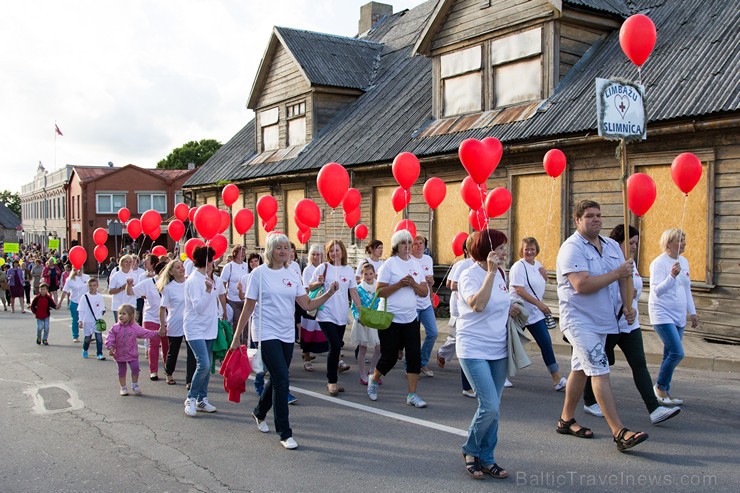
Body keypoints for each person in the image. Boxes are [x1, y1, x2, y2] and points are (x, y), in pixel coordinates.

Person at [231, 233, 338, 450]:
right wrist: (236, 339)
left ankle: (259, 412)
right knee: (282, 378)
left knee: (277, 379)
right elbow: (249, 307)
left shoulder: (292, 274)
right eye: (278, 247)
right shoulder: (259, 274)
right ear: (270, 250)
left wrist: (328, 294)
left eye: (285, 248)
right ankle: (285, 432)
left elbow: (307, 304)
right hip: (265, 332)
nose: (282, 251)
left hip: (287, 333)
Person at [556, 200, 648, 452]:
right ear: (577, 220)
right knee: (599, 369)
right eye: (589, 216)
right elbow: (581, 285)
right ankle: (619, 431)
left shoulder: (610, 246)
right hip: (578, 320)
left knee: (580, 369)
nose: (596, 219)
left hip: (604, 320)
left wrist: (628, 306)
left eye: (599, 215)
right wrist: (618, 274)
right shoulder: (571, 248)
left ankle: (565, 420)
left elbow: (624, 277)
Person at [582, 225, 681, 425]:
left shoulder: (631, 264)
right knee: (600, 364)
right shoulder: (608, 261)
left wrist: (631, 302)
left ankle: (654, 408)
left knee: (639, 364)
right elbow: (604, 287)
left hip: (629, 323)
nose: (634, 246)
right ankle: (589, 400)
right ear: (618, 243)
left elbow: (634, 288)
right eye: (631, 242)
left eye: (636, 243)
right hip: (609, 322)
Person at [457, 229, 517, 479]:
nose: (505, 252)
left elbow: (500, 302)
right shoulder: (469, 274)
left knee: (495, 407)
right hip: (473, 348)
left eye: (505, 247)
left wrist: (512, 307)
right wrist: (490, 274)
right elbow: (478, 304)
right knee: (489, 405)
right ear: (485, 251)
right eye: (500, 247)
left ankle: (487, 458)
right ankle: (470, 449)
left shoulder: (502, 273)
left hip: (498, 348)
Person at [368, 229, 428, 407]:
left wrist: (414, 284)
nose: (408, 247)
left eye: (410, 243)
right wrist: (400, 284)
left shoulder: (416, 265)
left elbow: (424, 292)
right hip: (390, 319)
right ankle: (374, 379)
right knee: (390, 357)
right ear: (396, 246)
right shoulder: (390, 264)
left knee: (414, 357)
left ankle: (412, 394)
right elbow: (379, 291)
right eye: (404, 243)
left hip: (410, 319)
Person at [508, 237, 567, 391]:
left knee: (546, 342)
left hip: (534, 314)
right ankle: (501, 376)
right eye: (526, 249)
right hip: (519, 312)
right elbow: (519, 290)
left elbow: (539, 284)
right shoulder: (518, 267)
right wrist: (539, 304)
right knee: (510, 344)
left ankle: (556, 378)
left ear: (537, 250)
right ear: (521, 250)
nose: (529, 252)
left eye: (532, 249)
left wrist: (545, 276)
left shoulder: (538, 265)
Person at [649, 228, 698, 406]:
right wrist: (672, 276)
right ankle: (660, 387)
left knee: (669, 354)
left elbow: (686, 288)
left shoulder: (684, 261)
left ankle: (665, 393)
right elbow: (657, 291)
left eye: (684, 240)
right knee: (677, 353)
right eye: (680, 240)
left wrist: (692, 312)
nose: (684, 243)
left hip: (678, 316)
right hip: (662, 314)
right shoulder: (658, 263)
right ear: (668, 243)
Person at [310, 239, 362, 396]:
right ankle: (331, 381)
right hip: (325, 313)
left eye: (337, 250)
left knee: (337, 345)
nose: (334, 253)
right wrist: (317, 283)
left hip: (341, 314)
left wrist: (361, 311)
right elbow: (308, 286)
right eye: (331, 251)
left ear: (342, 252)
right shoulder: (323, 267)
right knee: (335, 346)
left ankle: (333, 377)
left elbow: (353, 292)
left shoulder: (348, 270)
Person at [183, 246, 220, 417]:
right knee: (203, 364)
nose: (214, 262)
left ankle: (202, 399)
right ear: (207, 260)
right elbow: (198, 307)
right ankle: (191, 398)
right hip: (195, 328)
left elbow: (214, 303)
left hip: (209, 328)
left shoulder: (209, 278)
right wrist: (207, 290)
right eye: (212, 259)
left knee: (207, 366)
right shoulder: (193, 280)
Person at [437, 233, 476, 397]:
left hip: (474, 310)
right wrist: (466, 287)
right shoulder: (462, 265)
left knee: (460, 340)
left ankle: (443, 353)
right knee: (458, 339)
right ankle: (467, 385)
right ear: (467, 249)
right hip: (459, 307)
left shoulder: (484, 265)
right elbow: (450, 284)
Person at [106, 304, 166, 396]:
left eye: (124, 314)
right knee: (121, 370)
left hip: (132, 353)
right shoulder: (115, 327)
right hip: (119, 354)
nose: (120, 316)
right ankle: (123, 387)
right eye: (119, 313)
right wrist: (110, 347)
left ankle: (135, 385)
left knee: (135, 368)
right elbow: (110, 338)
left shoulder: (135, 327)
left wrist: (157, 333)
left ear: (130, 316)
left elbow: (145, 333)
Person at [131, 256, 168, 381]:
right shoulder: (148, 283)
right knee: (154, 344)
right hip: (151, 317)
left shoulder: (172, 284)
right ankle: (153, 371)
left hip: (168, 318)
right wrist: (128, 284)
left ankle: (168, 369)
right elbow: (131, 292)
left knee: (167, 345)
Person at [158, 259, 194, 386]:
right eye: (178, 267)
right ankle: (169, 372)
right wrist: (162, 325)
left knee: (192, 352)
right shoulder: (169, 288)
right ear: (172, 272)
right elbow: (162, 308)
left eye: (182, 266)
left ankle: (190, 380)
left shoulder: (190, 282)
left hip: (190, 322)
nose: (181, 269)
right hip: (175, 322)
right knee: (173, 351)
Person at [350, 262, 381, 385]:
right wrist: (358, 318)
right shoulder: (358, 289)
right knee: (363, 349)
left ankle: (372, 371)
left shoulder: (378, 288)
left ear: (375, 274)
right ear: (361, 275)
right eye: (365, 274)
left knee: (379, 348)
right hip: (362, 322)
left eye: (371, 273)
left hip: (375, 322)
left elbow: (381, 304)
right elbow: (353, 307)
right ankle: (362, 374)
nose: (368, 276)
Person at [411, 235, 437, 377]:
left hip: (426, 303)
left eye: (421, 243)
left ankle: (423, 362)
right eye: (416, 243)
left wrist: (431, 293)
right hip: (413, 304)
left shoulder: (428, 259)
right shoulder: (409, 260)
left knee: (433, 333)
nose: (419, 246)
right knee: (413, 338)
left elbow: (429, 282)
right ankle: (411, 366)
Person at [300, 244, 328, 371]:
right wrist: (318, 282)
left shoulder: (326, 267)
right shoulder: (308, 270)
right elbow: (307, 287)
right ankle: (306, 358)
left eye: (318, 254)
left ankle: (337, 359)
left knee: (326, 332)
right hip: (311, 302)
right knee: (309, 332)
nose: (316, 257)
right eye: (313, 254)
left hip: (325, 303)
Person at [221, 245, 249, 330]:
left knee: (246, 323)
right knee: (237, 322)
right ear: (235, 254)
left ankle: (244, 341)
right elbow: (223, 282)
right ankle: (236, 341)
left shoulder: (247, 266)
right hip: (233, 300)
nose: (243, 254)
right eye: (241, 252)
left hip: (245, 299)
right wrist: (223, 297)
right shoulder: (229, 266)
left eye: (244, 252)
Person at [78, 278, 106, 360]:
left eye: (94, 285)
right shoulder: (84, 297)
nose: (92, 287)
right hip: (87, 320)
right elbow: (81, 310)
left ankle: (99, 353)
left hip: (97, 321)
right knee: (87, 338)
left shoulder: (100, 297)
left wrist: (100, 318)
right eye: (90, 285)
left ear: (97, 286)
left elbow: (102, 309)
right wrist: (80, 320)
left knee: (99, 338)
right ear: (88, 286)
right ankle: (85, 349)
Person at [60, 267, 90, 342]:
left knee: (87, 320)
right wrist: (60, 302)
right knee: (75, 319)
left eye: (80, 268)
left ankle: (88, 335)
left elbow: (92, 288)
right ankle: (75, 336)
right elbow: (65, 291)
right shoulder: (70, 279)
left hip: (85, 302)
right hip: (74, 301)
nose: (78, 270)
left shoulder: (86, 277)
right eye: (76, 269)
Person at [108, 255, 137, 322]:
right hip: (118, 305)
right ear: (121, 263)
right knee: (120, 327)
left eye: (130, 262)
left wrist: (131, 287)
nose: (128, 264)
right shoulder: (116, 275)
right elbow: (110, 291)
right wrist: (121, 288)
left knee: (131, 327)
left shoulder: (135, 275)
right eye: (126, 262)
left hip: (131, 304)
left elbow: (137, 291)